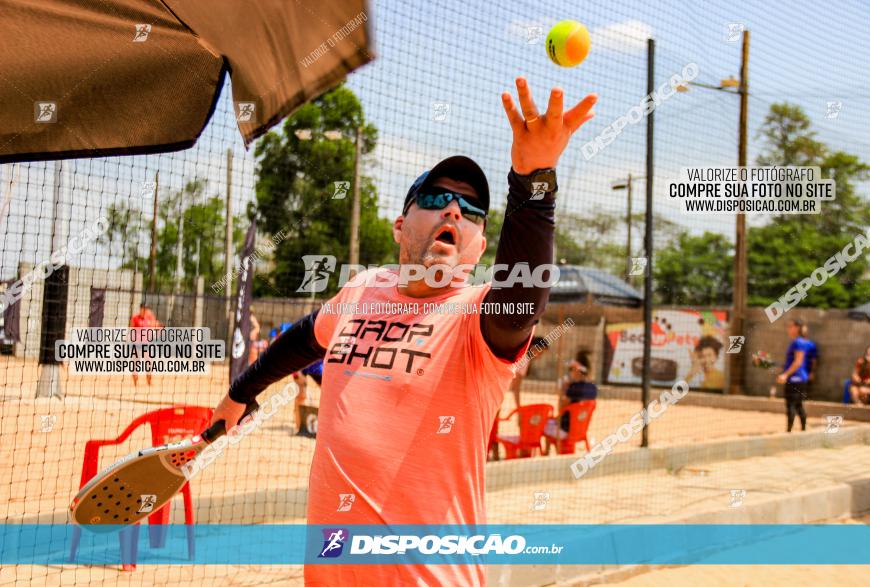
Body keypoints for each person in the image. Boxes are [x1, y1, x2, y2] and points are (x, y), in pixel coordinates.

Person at [210, 77, 598, 586]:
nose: (454, 210)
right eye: (437, 197)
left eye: (472, 210)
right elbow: (306, 337)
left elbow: (521, 303)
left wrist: (534, 180)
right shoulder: (365, 287)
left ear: (479, 247)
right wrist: (241, 392)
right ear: (400, 225)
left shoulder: (478, 316)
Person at [490, 336, 548, 461]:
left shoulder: (519, 353)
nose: (540, 356)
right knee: (493, 425)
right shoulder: (525, 359)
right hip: (496, 392)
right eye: (541, 352)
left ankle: (493, 455)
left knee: (493, 424)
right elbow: (516, 388)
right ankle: (493, 455)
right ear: (535, 347)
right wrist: (519, 409)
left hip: (494, 389)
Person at [544, 351, 598, 441]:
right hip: (581, 429)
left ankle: (546, 453)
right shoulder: (593, 388)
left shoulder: (573, 388)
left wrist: (563, 391)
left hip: (566, 430)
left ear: (576, 370)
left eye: (571, 369)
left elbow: (561, 409)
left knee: (544, 424)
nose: (570, 372)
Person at [776, 318, 810, 432]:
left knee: (791, 405)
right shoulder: (799, 341)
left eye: (790, 326)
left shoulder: (798, 342)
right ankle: (802, 430)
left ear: (797, 328)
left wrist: (785, 375)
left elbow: (798, 362)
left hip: (796, 378)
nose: (788, 329)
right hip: (799, 378)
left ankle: (789, 431)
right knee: (798, 405)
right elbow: (792, 362)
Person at [129, 303, 160, 387]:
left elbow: (151, 329)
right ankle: (135, 381)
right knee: (135, 362)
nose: (145, 310)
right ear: (140, 308)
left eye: (146, 308)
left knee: (149, 362)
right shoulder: (135, 318)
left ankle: (149, 381)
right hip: (136, 344)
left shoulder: (148, 319)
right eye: (143, 308)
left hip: (145, 344)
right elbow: (131, 330)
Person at [292, 359, 322, 435]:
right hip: (300, 364)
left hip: (318, 364)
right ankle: (299, 427)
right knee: (301, 396)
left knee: (328, 394)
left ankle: (326, 425)